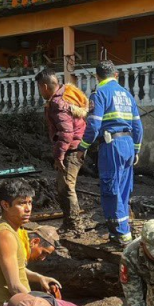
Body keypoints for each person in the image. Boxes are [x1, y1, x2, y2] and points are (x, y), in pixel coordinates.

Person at [78, 61, 143, 245]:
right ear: (116, 75)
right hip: (128, 144)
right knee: (123, 190)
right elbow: (138, 126)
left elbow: (94, 125)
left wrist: (82, 147)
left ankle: (121, 234)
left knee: (110, 189)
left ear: (97, 76)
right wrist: (136, 149)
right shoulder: (127, 95)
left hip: (111, 145)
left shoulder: (99, 94)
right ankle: (122, 232)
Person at [35, 68, 89, 235]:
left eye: (38, 87)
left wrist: (59, 156)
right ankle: (70, 222)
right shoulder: (67, 94)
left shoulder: (58, 103)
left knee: (66, 187)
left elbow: (66, 133)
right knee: (63, 186)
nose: (39, 91)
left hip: (72, 149)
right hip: (77, 146)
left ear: (44, 86)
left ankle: (74, 225)